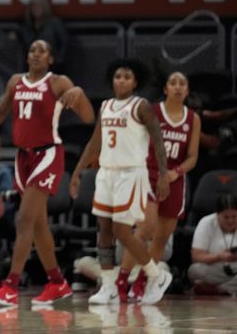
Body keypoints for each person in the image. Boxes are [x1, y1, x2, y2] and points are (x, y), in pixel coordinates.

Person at [0, 39, 94, 306]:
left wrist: (79, 93)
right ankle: (57, 283)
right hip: (24, 157)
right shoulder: (15, 82)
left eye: (42, 51)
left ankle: (10, 286)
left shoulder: (58, 82)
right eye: (32, 50)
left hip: (48, 154)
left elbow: (88, 117)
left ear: (50, 59)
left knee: (23, 220)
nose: (36, 54)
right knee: (39, 225)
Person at [70, 58, 172, 306]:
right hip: (106, 172)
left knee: (122, 232)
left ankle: (156, 276)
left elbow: (158, 141)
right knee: (103, 230)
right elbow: (95, 143)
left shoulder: (141, 106)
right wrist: (77, 172)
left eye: (127, 76)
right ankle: (108, 286)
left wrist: (163, 174)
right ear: (111, 81)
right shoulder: (105, 106)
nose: (122, 80)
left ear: (135, 81)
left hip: (131, 173)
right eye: (118, 76)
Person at [117, 71, 200, 302]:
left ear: (187, 90)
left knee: (162, 238)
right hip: (149, 174)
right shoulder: (152, 111)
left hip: (175, 178)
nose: (177, 87)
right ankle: (121, 281)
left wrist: (177, 172)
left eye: (182, 83)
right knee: (144, 229)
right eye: (172, 83)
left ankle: (144, 280)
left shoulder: (192, 118)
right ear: (165, 89)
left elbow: (192, 157)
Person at [188, 193, 237, 296]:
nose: (231, 221)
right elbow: (196, 257)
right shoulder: (206, 222)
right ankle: (230, 289)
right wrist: (219, 257)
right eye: (226, 217)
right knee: (194, 270)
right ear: (217, 214)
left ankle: (220, 289)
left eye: (234, 216)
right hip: (214, 267)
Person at [17, 0, 68, 71]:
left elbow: (64, 42)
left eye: (38, 6)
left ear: (44, 7)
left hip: (52, 65)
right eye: (33, 6)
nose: (36, 9)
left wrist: (59, 60)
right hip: (32, 66)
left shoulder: (54, 23)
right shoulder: (26, 27)